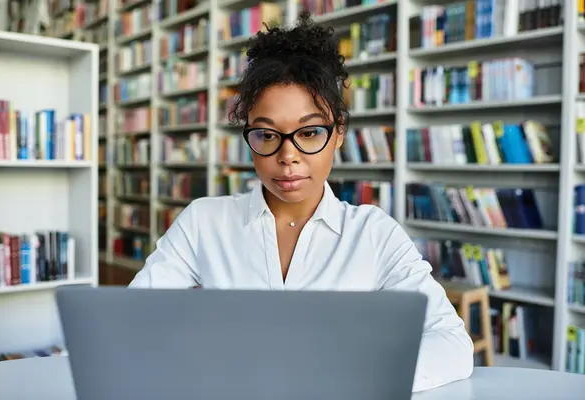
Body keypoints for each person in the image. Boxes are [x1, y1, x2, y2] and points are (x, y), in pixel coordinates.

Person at [129, 12, 474, 393]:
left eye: (309, 132)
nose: (288, 155)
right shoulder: (203, 222)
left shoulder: (373, 234)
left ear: (339, 132)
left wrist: (354, 375)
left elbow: (452, 344)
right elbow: (134, 322)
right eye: (266, 134)